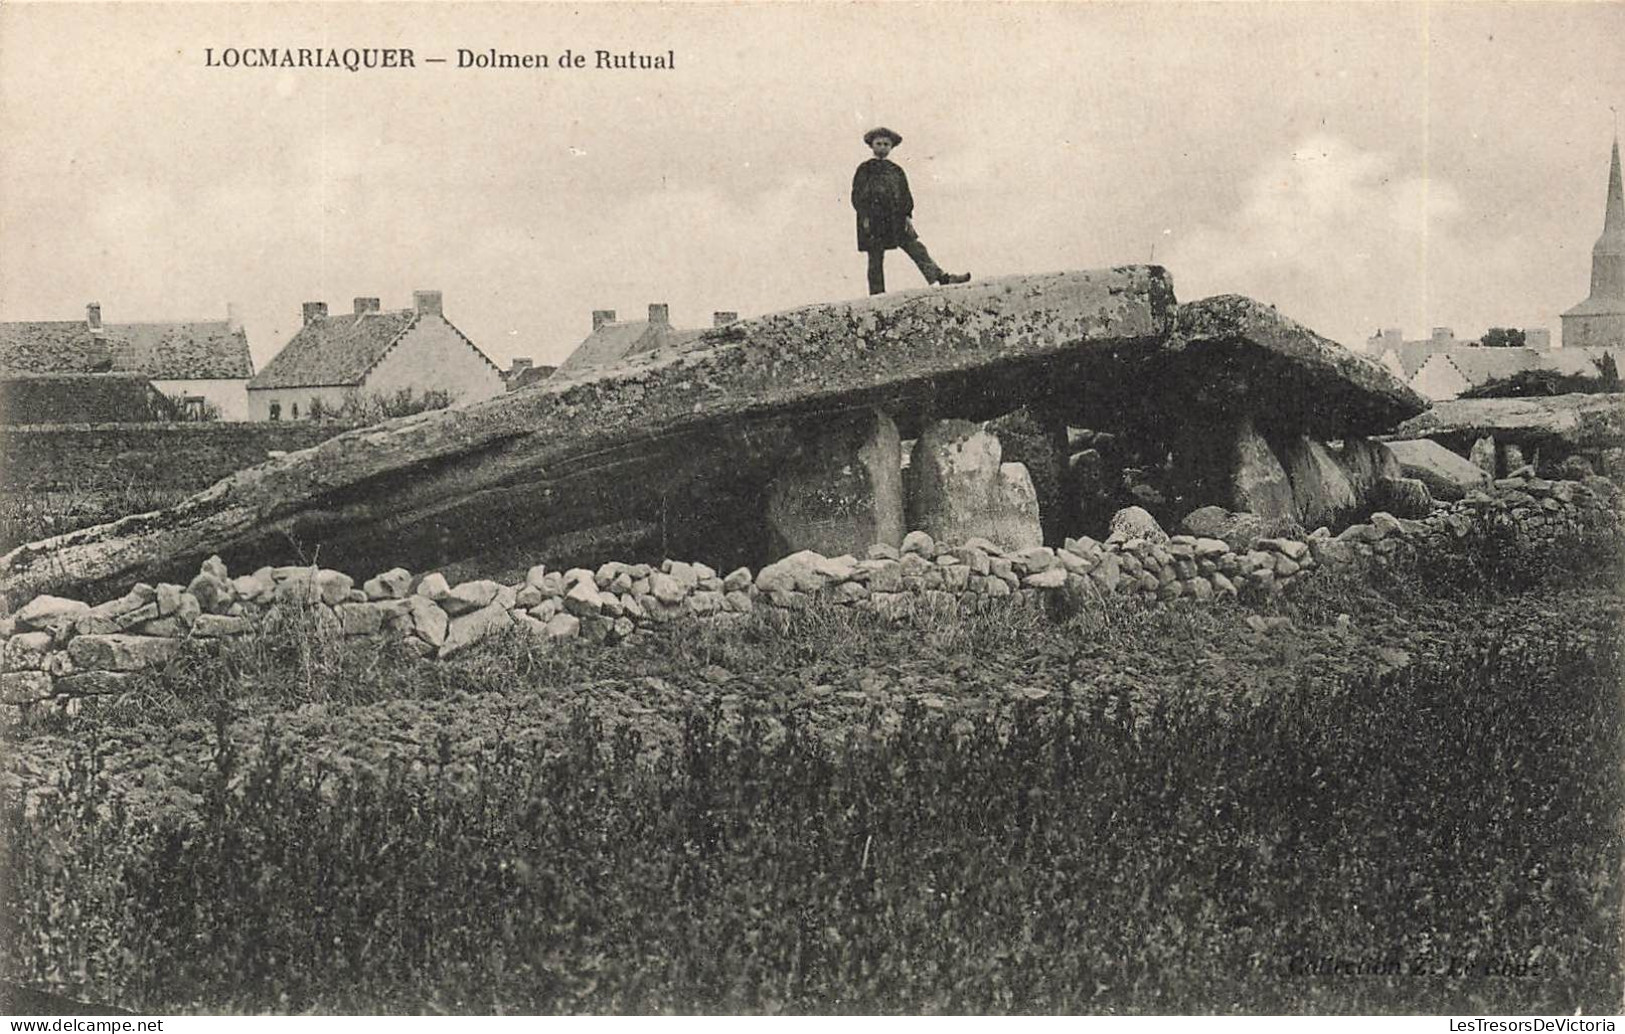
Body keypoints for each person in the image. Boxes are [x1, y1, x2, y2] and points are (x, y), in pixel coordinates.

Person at [851, 127, 970, 295]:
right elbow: (857, 195)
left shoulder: (896, 170)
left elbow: (905, 195)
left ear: (891, 147)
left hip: (895, 218)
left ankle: (941, 278)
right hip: (873, 218)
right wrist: (865, 216)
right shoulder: (865, 169)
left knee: (916, 248)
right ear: (872, 146)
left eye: (886, 144)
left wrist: (907, 215)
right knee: (875, 257)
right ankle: (877, 295)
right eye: (879, 143)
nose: (883, 147)